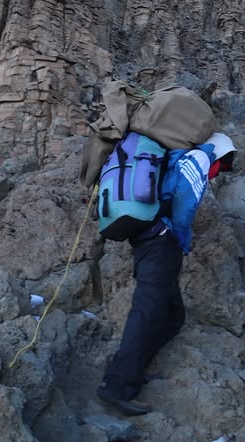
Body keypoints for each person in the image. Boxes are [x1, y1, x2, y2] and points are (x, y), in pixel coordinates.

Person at [97, 131, 237, 416]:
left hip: (148, 237)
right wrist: (179, 239)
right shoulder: (200, 157)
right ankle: (117, 386)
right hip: (162, 240)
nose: (218, 173)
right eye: (222, 166)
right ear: (220, 154)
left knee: (172, 317)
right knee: (147, 311)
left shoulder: (174, 158)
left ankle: (134, 369)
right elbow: (185, 202)